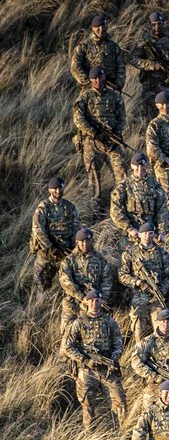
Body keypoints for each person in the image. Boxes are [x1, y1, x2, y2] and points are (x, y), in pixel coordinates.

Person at [62, 289, 126, 430]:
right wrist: (86, 360)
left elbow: (118, 344)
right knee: (88, 407)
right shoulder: (79, 323)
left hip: (107, 370)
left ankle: (120, 434)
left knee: (120, 403)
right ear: (86, 302)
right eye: (91, 301)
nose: (95, 304)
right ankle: (88, 436)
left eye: (97, 301)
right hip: (87, 371)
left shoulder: (109, 322)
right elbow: (68, 347)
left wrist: (113, 359)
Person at [73, 66, 127, 200]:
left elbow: (122, 118)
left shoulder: (115, 96)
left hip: (112, 141)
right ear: (91, 80)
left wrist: (116, 134)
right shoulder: (85, 96)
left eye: (100, 77)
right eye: (95, 78)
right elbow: (78, 119)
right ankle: (94, 210)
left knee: (122, 174)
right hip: (92, 142)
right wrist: (94, 133)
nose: (98, 81)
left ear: (104, 77)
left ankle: (121, 203)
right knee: (94, 179)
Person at [130, 308, 169, 409]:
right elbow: (136, 362)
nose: (166, 324)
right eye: (163, 322)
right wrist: (153, 376)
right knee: (149, 417)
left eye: (168, 321)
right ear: (158, 322)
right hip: (153, 388)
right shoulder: (148, 341)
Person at [29, 175, 80, 291]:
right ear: (49, 190)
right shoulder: (43, 207)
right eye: (55, 189)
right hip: (46, 254)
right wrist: (50, 247)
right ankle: (38, 307)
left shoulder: (70, 207)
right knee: (41, 287)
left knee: (70, 286)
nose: (58, 191)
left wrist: (72, 247)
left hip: (65, 253)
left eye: (60, 188)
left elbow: (76, 227)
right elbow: (37, 230)